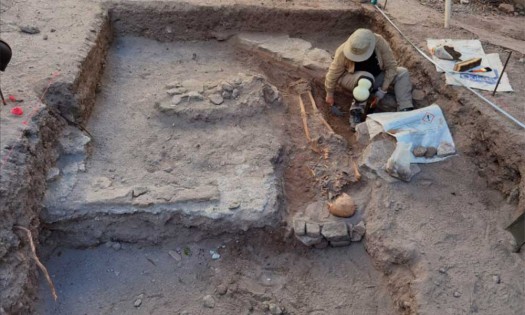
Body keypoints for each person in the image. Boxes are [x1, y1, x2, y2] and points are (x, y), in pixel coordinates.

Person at [325, 28, 414, 129]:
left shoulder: (379, 42)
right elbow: (333, 73)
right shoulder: (342, 51)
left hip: (376, 76)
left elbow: (391, 66)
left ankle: (405, 111)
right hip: (351, 78)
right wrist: (329, 94)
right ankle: (356, 112)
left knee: (402, 72)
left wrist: (383, 89)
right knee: (366, 79)